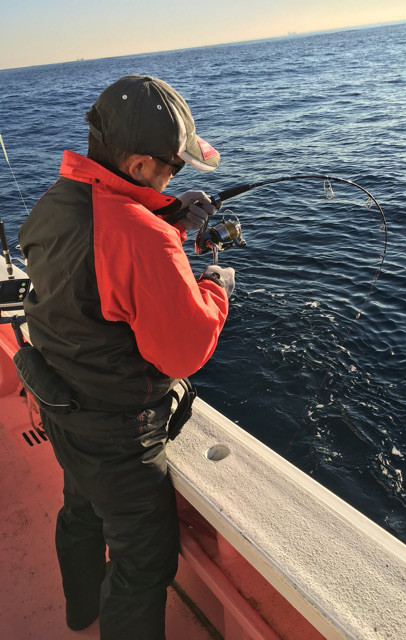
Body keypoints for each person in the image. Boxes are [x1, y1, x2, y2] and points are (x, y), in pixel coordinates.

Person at [18, 74, 235, 640]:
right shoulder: (142, 239)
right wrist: (215, 287)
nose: (174, 176)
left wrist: (168, 218)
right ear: (138, 164)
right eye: (173, 168)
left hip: (62, 406)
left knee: (80, 512)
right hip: (117, 434)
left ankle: (79, 613)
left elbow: (98, 265)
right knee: (144, 562)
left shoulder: (54, 202)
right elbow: (185, 351)